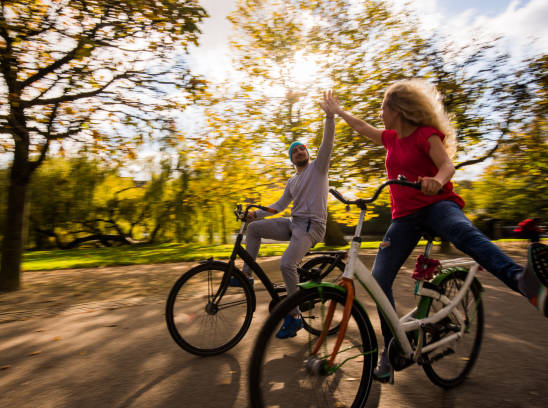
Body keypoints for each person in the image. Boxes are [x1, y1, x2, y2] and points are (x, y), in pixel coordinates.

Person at [321, 78, 548, 382]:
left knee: (464, 234)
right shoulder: (390, 139)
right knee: (379, 279)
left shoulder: (426, 135)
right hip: (404, 219)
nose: (379, 113)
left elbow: (447, 165)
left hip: (437, 205)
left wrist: (437, 181)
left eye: (382, 106)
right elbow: (363, 128)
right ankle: (391, 349)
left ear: (397, 109)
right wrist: (337, 111)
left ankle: (523, 280)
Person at [232, 91, 336, 339]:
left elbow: (327, 144)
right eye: (295, 150)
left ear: (308, 154)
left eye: (303, 149)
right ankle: (246, 275)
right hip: (294, 223)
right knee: (255, 230)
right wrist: (255, 214)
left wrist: (330, 117)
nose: (300, 151)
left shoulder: (318, 169)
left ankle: (295, 317)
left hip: (313, 226)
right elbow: (278, 207)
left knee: (286, 264)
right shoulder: (293, 180)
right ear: (291, 158)